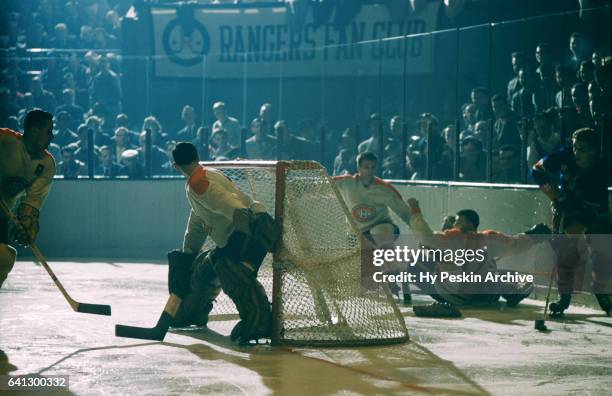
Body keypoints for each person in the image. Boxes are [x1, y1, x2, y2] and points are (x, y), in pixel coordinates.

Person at [170, 142, 280, 344]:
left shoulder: (198, 183)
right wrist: (188, 255)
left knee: (229, 269)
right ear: (197, 157)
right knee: (205, 268)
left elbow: (227, 203)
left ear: (175, 166)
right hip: (242, 231)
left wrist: (245, 221)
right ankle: (193, 312)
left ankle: (259, 321)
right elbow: (196, 223)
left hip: (249, 229)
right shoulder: (205, 176)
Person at [532, 128, 611, 316]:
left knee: (604, 255)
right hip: (566, 206)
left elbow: (589, 212)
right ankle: (564, 297)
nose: (577, 153)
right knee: (564, 254)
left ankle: (599, 288)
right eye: (575, 147)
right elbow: (537, 170)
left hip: (594, 212)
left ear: (594, 150)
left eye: (583, 149)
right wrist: (555, 197)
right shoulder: (565, 154)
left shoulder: (602, 168)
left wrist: (570, 231)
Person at [406, 200, 539, 309]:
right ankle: (505, 294)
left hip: (454, 295)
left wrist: (415, 210)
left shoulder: (454, 237)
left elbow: (425, 237)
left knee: (413, 262)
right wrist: (535, 235)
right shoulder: (490, 238)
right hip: (481, 292)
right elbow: (515, 244)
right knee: (512, 277)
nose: (454, 226)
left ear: (469, 224)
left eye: (458, 222)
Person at [333, 152, 413, 303]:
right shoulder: (346, 183)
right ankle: (387, 275)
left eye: (373, 167)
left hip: (383, 228)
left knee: (380, 234)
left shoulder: (384, 188)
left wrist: (417, 229)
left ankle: (393, 276)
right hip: (357, 234)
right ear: (358, 168)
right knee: (357, 284)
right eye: (366, 167)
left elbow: (404, 211)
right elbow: (324, 184)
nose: (369, 171)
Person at [0, 109, 55, 288]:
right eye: (49, 131)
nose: (52, 137)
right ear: (33, 131)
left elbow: (32, 202)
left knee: (3, 259)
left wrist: (26, 224)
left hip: (1, 214)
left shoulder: (46, 165)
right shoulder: (5, 140)